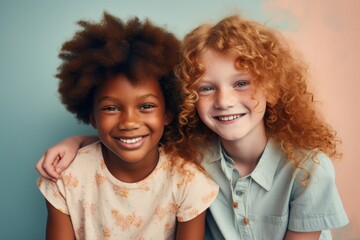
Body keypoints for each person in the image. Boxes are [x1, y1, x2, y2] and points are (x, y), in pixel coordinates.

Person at [36, 14, 349, 239]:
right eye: (206, 88)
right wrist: (77, 140)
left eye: (241, 83)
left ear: (272, 87)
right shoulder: (191, 154)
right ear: (186, 97)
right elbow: (133, 136)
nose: (225, 100)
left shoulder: (309, 170)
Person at [36, 12, 218, 240]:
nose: (129, 122)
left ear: (168, 113)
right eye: (111, 108)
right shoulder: (66, 177)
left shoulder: (187, 182)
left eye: (146, 106)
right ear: (91, 116)